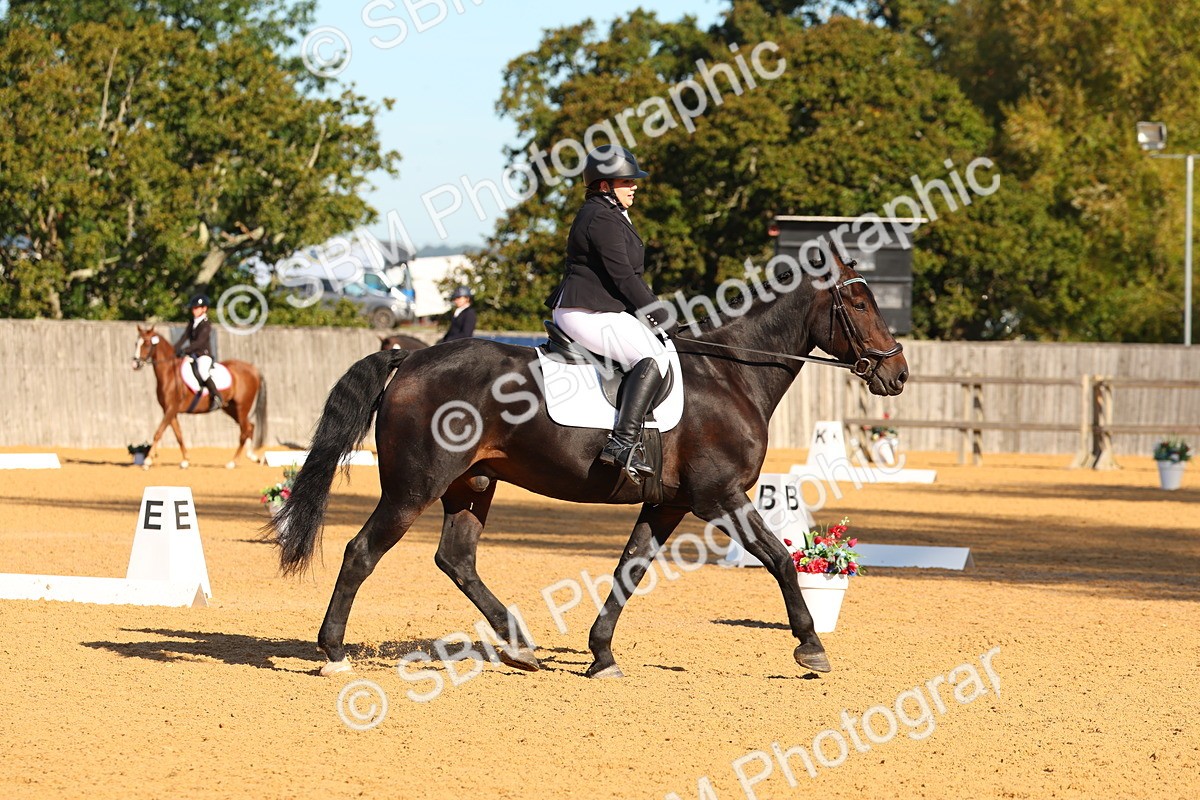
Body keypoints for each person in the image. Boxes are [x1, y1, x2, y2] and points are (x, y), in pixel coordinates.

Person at [545, 145, 670, 482]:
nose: (634, 186)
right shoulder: (600, 216)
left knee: (656, 350)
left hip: (599, 308)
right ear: (604, 185)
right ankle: (622, 443)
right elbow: (624, 277)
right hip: (584, 310)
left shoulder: (610, 212)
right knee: (652, 357)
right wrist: (660, 315)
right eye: (627, 181)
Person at [173, 293, 223, 412]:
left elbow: (199, 343)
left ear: (204, 309)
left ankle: (216, 396)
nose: (193, 310)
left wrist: (184, 350)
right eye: (193, 308)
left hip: (203, 355)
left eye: (196, 308)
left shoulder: (206, 324)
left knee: (203, 371)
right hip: (193, 355)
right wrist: (174, 349)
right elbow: (184, 337)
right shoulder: (192, 322)